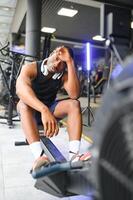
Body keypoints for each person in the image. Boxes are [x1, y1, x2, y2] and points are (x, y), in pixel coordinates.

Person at [16, 46, 91, 171]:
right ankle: (39, 157)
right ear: (51, 54)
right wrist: (43, 109)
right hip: (30, 111)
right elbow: (20, 90)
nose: (57, 64)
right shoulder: (30, 68)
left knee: (74, 104)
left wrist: (70, 62)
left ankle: (74, 156)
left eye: (62, 63)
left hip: (50, 110)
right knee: (23, 104)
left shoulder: (62, 75)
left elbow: (74, 94)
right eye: (56, 58)